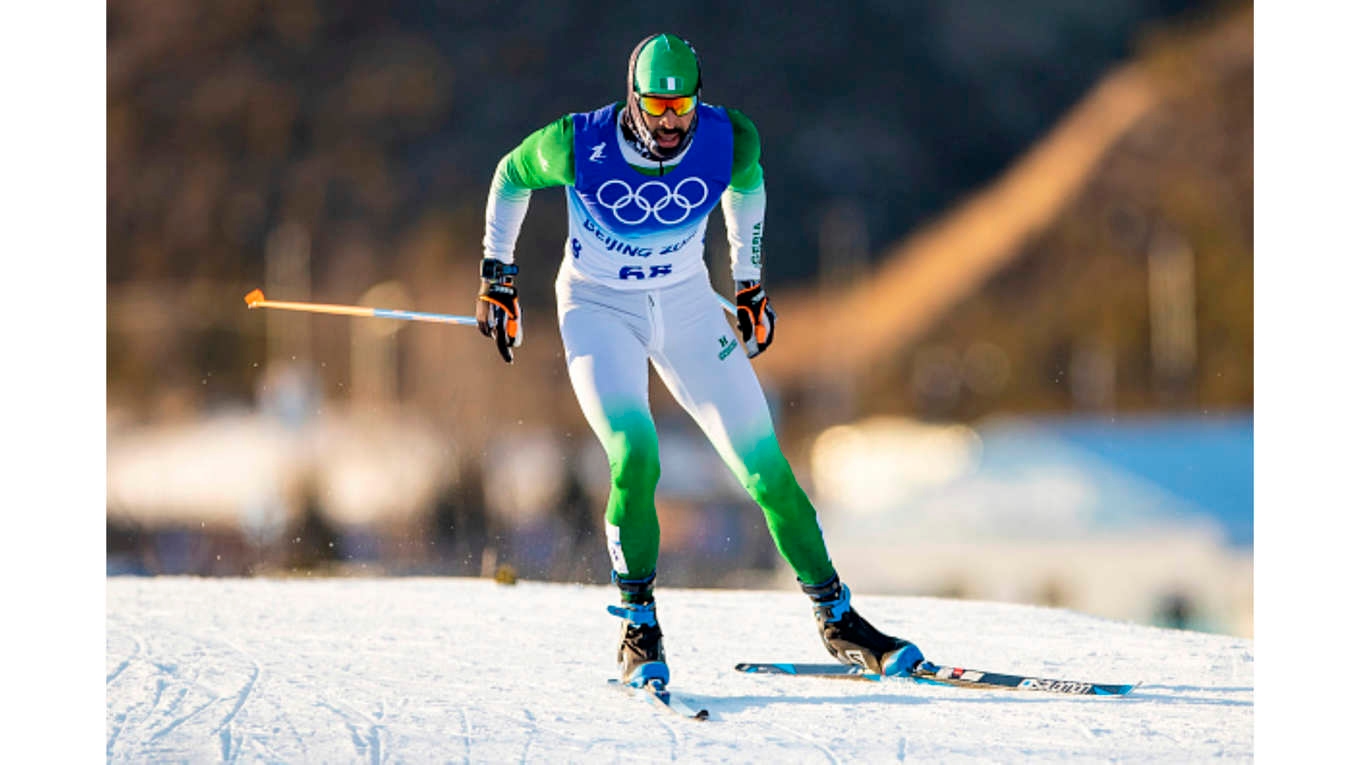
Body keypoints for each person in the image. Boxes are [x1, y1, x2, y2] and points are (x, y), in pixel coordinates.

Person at [476, 32, 923, 688]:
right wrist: (497, 274)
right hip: (600, 310)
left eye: (681, 105)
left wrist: (749, 282)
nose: (671, 121)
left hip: (685, 305)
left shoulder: (727, 139)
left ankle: (838, 620)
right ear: (632, 101)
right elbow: (511, 175)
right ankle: (639, 626)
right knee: (636, 454)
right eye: (656, 107)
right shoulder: (580, 142)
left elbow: (750, 188)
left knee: (768, 471)